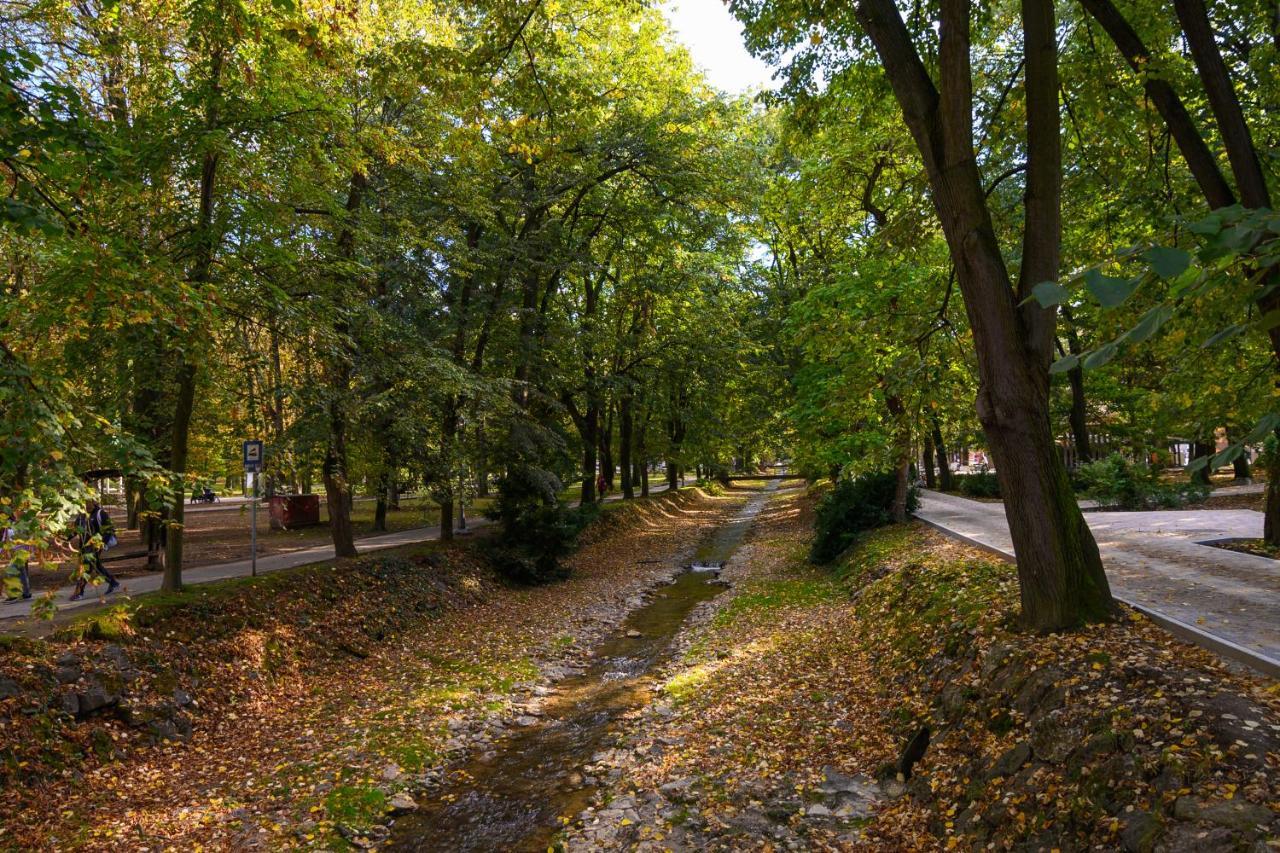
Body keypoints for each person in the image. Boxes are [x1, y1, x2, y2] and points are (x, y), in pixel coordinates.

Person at [69, 498, 120, 601]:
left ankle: (79, 593)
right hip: (83, 546)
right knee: (96, 566)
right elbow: (75, 531)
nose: (86, 505)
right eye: (84, 503)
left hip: (95, 546)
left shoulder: (101, 514)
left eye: (88, 503)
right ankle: (113, 582)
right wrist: (64, 538)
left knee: (87, 567)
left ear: (94, 502)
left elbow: (109, 530)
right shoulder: (81, 517)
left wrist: (101, 543)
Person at [2, 513, 31, 603]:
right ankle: (26, 594)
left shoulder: (21, 525)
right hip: (15, 553)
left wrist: (29, 550)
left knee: (10, 572)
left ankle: (13, 596)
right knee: (22, 573)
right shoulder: (7, 526)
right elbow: (4, 540)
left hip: (22, 553)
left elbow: (28, 538)